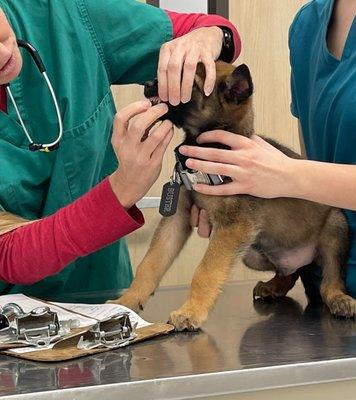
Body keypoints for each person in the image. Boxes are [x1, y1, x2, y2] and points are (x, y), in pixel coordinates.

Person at [0, 0, 241, 303]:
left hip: (105, 299)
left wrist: (213, 36)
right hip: (10, 321)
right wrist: (121, 190)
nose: (1, 54)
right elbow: (7, 254)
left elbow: (209, 31)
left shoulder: (61, 13)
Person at [181, 0, 356, 308]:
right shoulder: (307, 26)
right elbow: (316, 168)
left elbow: (300, 174)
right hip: (322, 301)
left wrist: (287, 175)